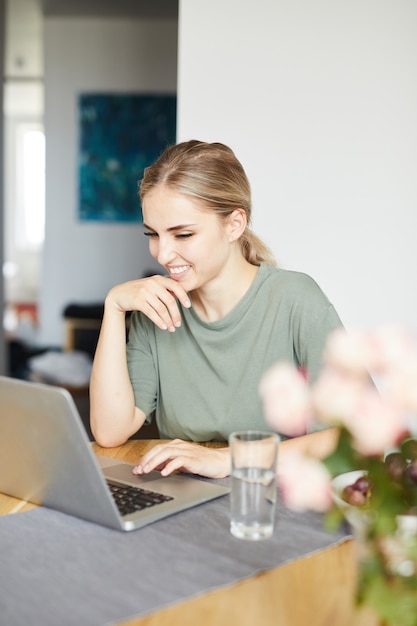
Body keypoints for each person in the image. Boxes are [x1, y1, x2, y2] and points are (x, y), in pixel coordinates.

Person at [90, 140, 342, 479]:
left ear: (234, 224)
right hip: (186, 496)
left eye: (183, 234)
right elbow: (109, 431)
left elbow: (349, 440)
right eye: (153, 234)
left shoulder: (296, 299)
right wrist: (114, 306)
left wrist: (228, 459)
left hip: (272, 498)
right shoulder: (157, 310)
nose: (162, 254)